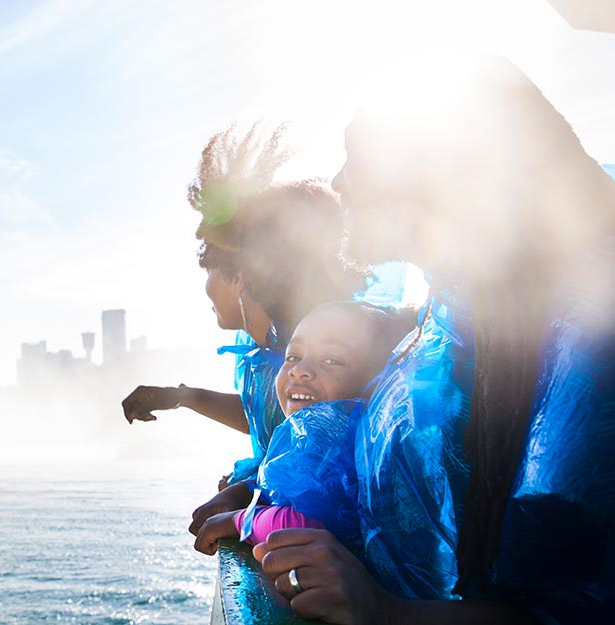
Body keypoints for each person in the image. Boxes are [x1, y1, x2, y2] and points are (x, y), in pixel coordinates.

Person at [252, 56, 615, 625]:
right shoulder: (443, 314)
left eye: (355, 155)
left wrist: (386, 612)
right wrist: (264, 509)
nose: (338, 182)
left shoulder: (586, 341)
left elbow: (579, 608)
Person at [122, 125, 359, 487]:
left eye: (210, 269)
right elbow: (269, 413)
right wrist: (185, 396)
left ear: (241, 277)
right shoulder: (276, 347)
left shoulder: (308, 357)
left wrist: (245, 499)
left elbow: (320, 476)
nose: (205, 287)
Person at [191, 301, 415, 556]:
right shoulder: (315, 437)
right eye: (293, 357)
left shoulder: (345, 444)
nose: (299, 371)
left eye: (332, 360)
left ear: (377, 383)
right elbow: (285, 484)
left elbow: (305, 525)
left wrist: (238, 521)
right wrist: (243, 490)